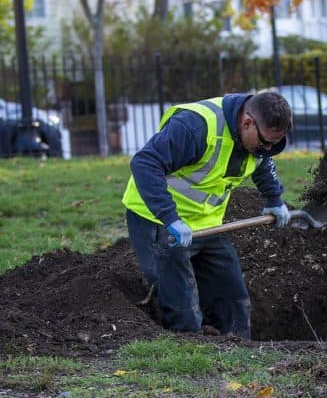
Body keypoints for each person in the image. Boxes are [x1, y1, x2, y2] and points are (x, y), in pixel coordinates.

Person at [122, 91, 293, 340]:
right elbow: (145, 163)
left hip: (206, 225)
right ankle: (191, 357)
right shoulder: (196, 127)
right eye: (265, 142)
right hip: (158, 221)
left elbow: (263, 161)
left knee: (233, 301)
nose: (268, 150)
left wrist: (274, 198)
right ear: (247, 123)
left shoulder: (258, 143)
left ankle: (239, 354)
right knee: (183, 311)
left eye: (274, 145)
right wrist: (170, 218)